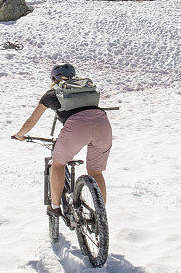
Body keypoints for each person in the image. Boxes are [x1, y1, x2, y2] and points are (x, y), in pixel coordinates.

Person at [12, 63, 112, 218]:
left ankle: (55, 207)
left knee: (58, 163)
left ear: (53, 78)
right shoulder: (86, 88)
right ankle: (100, 216)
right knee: (96, 172)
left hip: (76, 128)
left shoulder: (51, 94)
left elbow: (31, 121)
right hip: (103, 124)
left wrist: (20, 134)